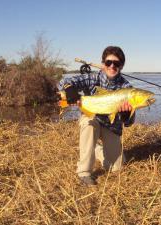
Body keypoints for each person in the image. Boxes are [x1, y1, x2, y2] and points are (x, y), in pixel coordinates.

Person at [58, 46, 135, 185]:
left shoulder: (127, 88)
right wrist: (69, 89)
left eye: (116, 63)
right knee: (89, 123)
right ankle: (84, 173)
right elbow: (63, 82)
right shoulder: (93, 77)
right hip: (92, 118)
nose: (112, 66)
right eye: (108, 62)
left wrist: (126, 115)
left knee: (116, 167)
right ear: (103, 63)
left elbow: (129, 123)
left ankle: (97, 150)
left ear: (121, 66)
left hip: (112, 126)